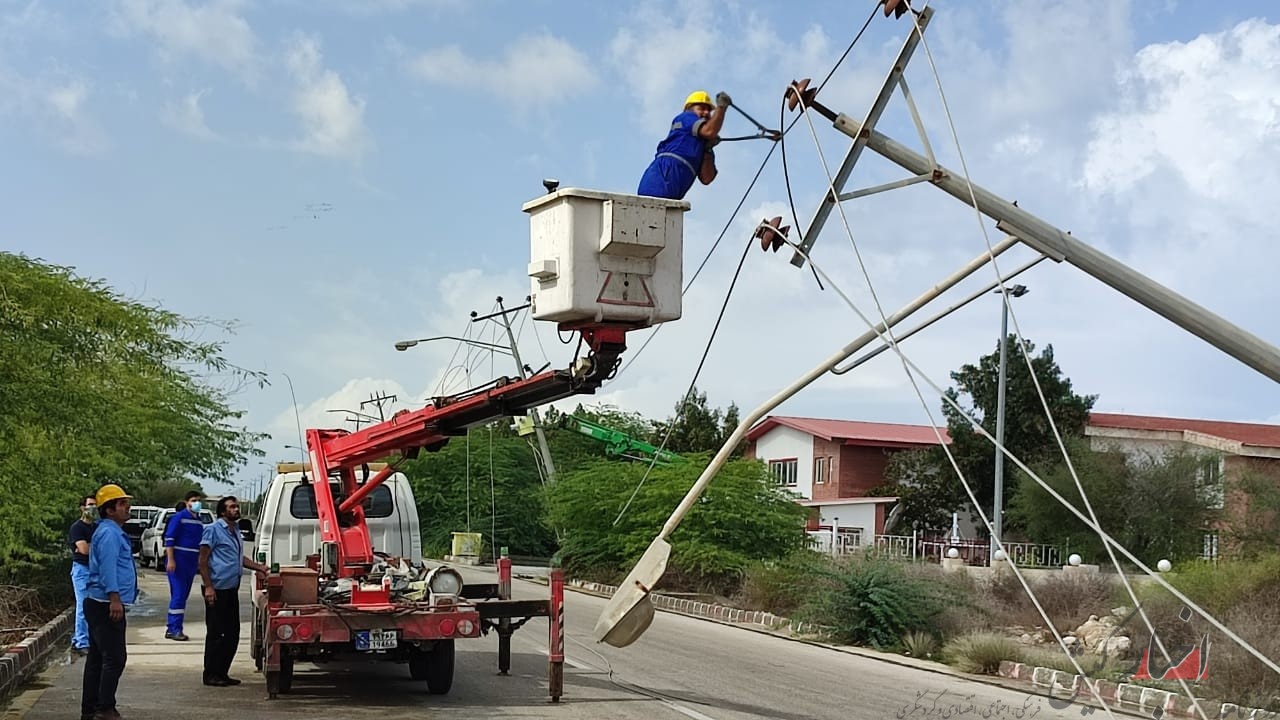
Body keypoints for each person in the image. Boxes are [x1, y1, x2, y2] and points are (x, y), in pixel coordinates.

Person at [198, 496, 268, 687]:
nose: (236, 509)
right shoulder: (212, 530)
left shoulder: (235, 530)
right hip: (216, 588)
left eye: (236, 506)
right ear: (222, 511)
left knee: (231, 633)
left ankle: (222, 672)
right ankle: (211, 674)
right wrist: (209, 587)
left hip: (231, 589)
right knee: (216, 633)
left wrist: (259, 567)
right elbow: (203, 560)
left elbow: (238, 557)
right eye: (231, 507)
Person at [82, 483, 138, 720]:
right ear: (109, 509)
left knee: (98, 659)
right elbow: (107, 568)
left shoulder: (112, 531)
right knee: (115, 658)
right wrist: (115, 598)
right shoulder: (109, 533)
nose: (127, 508)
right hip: (105, 603)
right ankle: (104, 707)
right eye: (122, 504)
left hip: (102, 602)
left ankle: (91, 709)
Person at [637, 90, 732, 200]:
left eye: (709, 110)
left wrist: (708, 150)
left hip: (672, 190)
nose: (706, 113)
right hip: (659, 180)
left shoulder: (701, 145)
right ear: (689, 109)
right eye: (701, 108)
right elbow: (709, 131)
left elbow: (707, 178)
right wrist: (721, 107)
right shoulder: (686, 117)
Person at [162, 491, 205, 641]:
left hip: (191, 563)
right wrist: (171, 559)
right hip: (178, 561)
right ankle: (174, 629)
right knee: (179, 595)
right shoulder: (179, 518)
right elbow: (169, 539)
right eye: (194, 500)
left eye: (199, 501)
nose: (197, 503)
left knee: (182, 596)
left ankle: (172, 627)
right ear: (186, 502)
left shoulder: (199, 521)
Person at [68, 494, 98, 655]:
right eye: (90, 505)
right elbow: (84, 550)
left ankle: (78, 639)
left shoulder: (96, 527)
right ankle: (81, 642)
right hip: (81, 570)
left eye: (95, 505)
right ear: (82, 508)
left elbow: (92, 548)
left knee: (91, 607)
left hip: (94, 570)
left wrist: (89, 547)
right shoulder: (77, 528)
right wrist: (91, 547)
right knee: (83, 607)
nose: (93, 508)